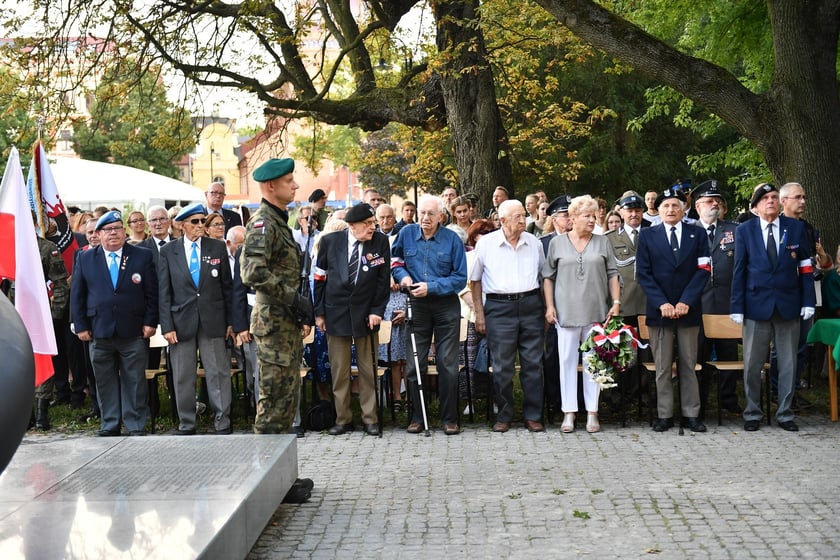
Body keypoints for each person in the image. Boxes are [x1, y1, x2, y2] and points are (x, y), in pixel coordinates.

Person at [241, 157, 314, 503]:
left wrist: (297, 308)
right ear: (271, 186)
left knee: (286, 403)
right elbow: (251, 273)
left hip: (284, 324)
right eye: (289, 181)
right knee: (271, 404)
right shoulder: (263, 224)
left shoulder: (278, 222)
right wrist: (293, 298)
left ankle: (282, 481)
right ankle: (265, 485)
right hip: (273, 325)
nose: (295, 186)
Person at [730, 183, 815, 432]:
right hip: (756, 304)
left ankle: (785, 413)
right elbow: (739, 270)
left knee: (788, 362)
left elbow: (806, 267)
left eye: (774, 197)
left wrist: (808, 300)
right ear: (756, 206)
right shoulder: (745, 230)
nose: (770, 201)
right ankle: (752, 412)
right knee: (753, 363)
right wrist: (737, 305)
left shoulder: (795, 227)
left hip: (788, 304)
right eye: (764, 198)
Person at [70, 211, 158, 436]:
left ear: (124, 231)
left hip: (133, 330)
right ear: (98, 234)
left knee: (135, 380)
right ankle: (109, 423)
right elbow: (77, 295)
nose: (113, 233)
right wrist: (80, 325)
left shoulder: (142, 256)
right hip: (99, 331)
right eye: (108, 230)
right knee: (104, 381)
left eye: (117, 228)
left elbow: (151, 293)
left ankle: (135, 423)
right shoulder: (85, 258)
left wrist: (150, 322)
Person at [542, 195, 621, 433]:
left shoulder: (602, 241)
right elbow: (548, 277)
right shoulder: (557, 243)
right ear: (572, 218)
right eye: (587, 216)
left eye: (594, 215)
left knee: (593, 364)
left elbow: (613, 273)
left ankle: (592, 412)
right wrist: (549, 306)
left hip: (596, 311)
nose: (592, 219)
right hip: (565, 313)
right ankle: (569, 412)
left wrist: (616, 303)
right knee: (565, 361)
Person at [636, 187, 710, 433]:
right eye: (665, 206)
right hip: (660, 312)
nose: (670, 210)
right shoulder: (647, 236)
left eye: (675, 206)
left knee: (689, 364)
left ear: (683, 209)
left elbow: (704, 270)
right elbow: (643, 274)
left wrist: (686, 301)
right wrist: (663, 303)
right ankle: (665, 414)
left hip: (689, 310)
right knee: (663, 366)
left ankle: (691, 414)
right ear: (658, 210)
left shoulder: (697, 234)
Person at [391, 194, 467, 435]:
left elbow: (460, 278)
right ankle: (417, 417)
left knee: (447, 363)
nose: (424, 218)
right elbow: (395, 260)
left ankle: (449, 419)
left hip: (446, 306)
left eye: (430, 214)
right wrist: (403, 278)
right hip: (417, 306)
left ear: (441, 217)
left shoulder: (452, 240)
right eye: (422, 213)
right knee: (414, 364)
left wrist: (431, 287)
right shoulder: (406, 234)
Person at [314, 203, 390, 436]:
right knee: (340, 371)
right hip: (335, 312)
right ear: (351, 225)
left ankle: (370, 419)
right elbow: (319, 278)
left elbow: (382, 280)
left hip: (367, 314)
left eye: (373, 223)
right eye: (367, 224)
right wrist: (319, 313)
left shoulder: (379, 242)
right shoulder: (330, 242)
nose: (372, 227)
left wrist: (377, 310)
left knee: (368, 369)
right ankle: (343, 418)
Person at [158, 202, 234, 435]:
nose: (201, 225)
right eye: (195, 222)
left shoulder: (217, 247)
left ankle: (223, 421)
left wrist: (230, 322)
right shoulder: (168, 251)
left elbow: (227, 289)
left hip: (213, 320)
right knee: (183, 375)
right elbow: (164, 292)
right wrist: (167, 326)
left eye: (203, 221)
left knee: (218, 373)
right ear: (182, 225)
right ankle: (187, 422)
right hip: (181, 323)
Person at [471, 200, 545, 432]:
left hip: (531, 304)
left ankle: (533, 415)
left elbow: (543, 278)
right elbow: (474, 281)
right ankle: (504, 414)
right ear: (502, 221)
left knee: (533, 364)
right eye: (518, 217)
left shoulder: (534, 243)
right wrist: (479, 314)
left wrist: (544, 309)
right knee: (502, 367)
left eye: (524, 215)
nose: (523, 220)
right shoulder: (487, 245)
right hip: (499, 308)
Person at [771, 182, 834, 403]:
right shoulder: (773, 226)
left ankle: (793, 391)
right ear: (784, 201)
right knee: (780, 347)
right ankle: (776, 391)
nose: (803, 201)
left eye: (804, 197)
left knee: (800, 346)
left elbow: (825, 265)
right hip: (782, 295)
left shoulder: (808, 229)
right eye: (798, 197)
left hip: (806, 294)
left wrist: (822, 255)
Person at [691, 180, 741, 416]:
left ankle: (728, 399)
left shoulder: (734, 230)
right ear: (698, 206)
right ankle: (698, 401)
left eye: (717, 201)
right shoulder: (688, 231)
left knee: (728, 353)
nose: (715, 205)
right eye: (709, 201)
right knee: (698, 355)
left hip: (726, 303)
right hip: (697, 305)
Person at [605, 192, 650, 408]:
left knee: (646, 354)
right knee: (622, 352)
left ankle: (642, 395)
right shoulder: (610, 238)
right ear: (621, 212)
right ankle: (618, 397)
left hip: (649, 304)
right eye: (629, 210)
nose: (633, 214)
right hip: (622, 305)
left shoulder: (653, 233)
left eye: (637, 210)